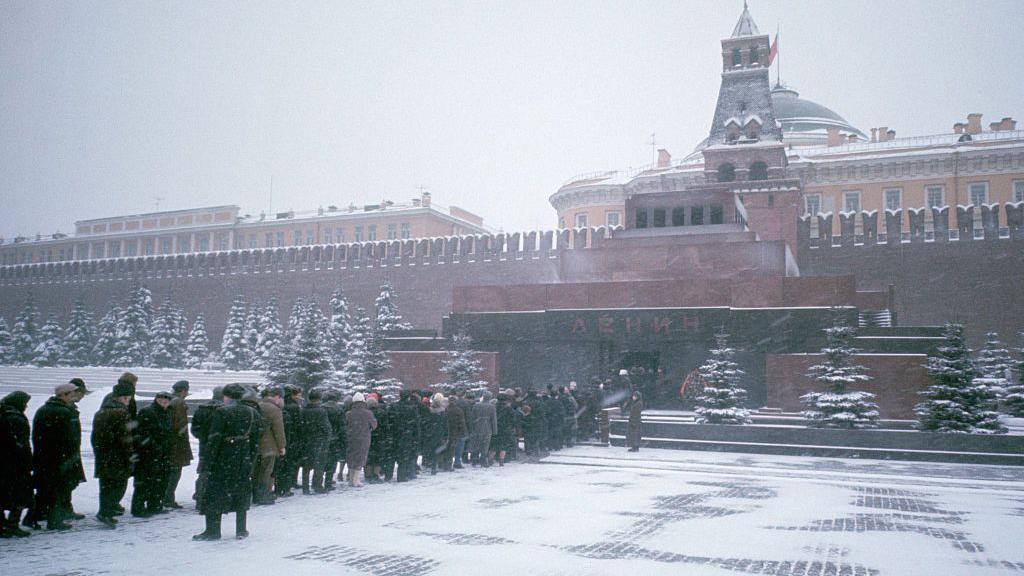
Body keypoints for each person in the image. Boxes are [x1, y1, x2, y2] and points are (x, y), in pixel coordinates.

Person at [194, 383, 262, 540]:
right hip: (242, 456)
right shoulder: (252, 412)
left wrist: (207, 461)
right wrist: (250, 457)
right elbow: (256, 438)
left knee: (215, 492)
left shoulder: (222, 412)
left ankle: (213, 530)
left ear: (227, 397)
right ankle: (241, 529)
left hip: (223, 457)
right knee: (241, 490)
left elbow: (214, 438)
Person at [31, 383, 81, 530]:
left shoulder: (44, 409)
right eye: (72, 394)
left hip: (45, 458)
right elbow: (69, 439)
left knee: (45, 490)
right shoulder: (63, 412)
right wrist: (70, 458)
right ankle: (54, 521)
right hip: (59, 459)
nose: (75, 396)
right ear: (63, 395)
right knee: (57, 490)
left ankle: (33, 517)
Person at [91, 382, 134, 527]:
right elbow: (126, 439)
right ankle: (107, 513)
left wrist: (101, 452)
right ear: (125, 398)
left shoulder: (101, 412)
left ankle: (104, 511)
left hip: (104, 456)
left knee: (105, 486)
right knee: (118, 486)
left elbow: (95, 437)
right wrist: (130, 456)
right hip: (118, 458)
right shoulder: (121, 413)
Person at [131, 391, 173, 517]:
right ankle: (138, 508)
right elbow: (141, 433)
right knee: (144, 482)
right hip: (148, 454)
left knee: (159, 481)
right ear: (156, 400)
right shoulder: (148, 412)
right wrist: (153, 446)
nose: (164, 403)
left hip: (162, 453)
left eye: (166, 401)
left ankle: (154, 505)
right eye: (161, 401)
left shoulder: (168, 412)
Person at [0, 391, 32, 538]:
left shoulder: (3, 413)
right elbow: (21, 445)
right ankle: (13, 524)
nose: (26, 406)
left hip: (4, 463)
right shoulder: (16, 418)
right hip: (15, 464)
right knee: (20, 494)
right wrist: (27, 462)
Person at [191, 386, 223, 510]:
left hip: (204, 446)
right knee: (217, 473)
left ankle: (200, 497)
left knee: (203, 472)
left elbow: (195, 430)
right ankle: (212, 499)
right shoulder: (224, 410)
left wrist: (204, 438)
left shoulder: (201, 410)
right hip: (219, 447)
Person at [254, 386, 286, 505]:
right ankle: (264, 495)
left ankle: (255, 494)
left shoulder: (258, 405)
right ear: (277, 396)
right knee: (267, 472)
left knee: (256, 472)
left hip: (256, 444)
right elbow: (279, 430)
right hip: (269, 446)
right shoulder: (274, 409)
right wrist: (282, 446)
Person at [164, 380, 192, 509]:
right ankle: (168, 498)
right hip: (177, 444)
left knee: (169, 472)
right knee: (175, 472)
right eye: (186, 390)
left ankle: (166, 497)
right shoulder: (179, 402)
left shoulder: (170, 400)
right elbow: (180, 425)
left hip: (170, 442)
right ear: (183, 391)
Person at [300, 388, 332, 494]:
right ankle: (317, 485)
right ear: (319, 399)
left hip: (306, 440)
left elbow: (301, 426)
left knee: (306, 465)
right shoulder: (321, 411)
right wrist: (328, 437)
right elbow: (326, 427)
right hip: (319, 440)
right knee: (319, 464)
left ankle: (305, 487)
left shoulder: (303, 410)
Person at [275, 385, 304, 497]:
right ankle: (286, 487)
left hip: (282, 437)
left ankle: (278, 488)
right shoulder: (294, 407)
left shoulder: (281, 406)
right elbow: (299, 425)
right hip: (292, 439)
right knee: (289, 464)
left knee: (280, 464)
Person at [344, 392, 377, 487]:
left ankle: (351, 480)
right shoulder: (368, 413)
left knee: (351, 457)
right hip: (364, 438)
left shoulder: (348, 413)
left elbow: (344, 425)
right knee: (361, 457)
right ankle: (356, 480)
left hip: (351, 438)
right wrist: (368, 429)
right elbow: (374, 425)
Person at [392, 391, 421, 482]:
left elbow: (391, 420)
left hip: (396, 433)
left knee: (400, 455)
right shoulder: (412, 408)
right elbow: (416, 424)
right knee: (407, 455)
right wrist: (416, 435)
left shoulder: (395, 406)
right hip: (408, 434)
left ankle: (401, 474)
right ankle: (405, 474)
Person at [322, 391, 346, 490]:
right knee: (332, 461)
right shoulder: (339, 409)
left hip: (323, 438)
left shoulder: (322, 408)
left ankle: (319, 480)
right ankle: (328, 481)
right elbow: (342, 426)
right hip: (335, 438)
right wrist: (343, 439)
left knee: (322, 460)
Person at [421, 393, 449, 475]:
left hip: (430, 433)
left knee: (431, 449)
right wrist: (446, 435)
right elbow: (445, 425)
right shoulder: (442, 412)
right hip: (439, 433)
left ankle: (430, 464)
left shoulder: (429, 412)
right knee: (438, 449)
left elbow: (425, 423)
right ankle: (435, 465)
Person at [468, 391, 497, 467]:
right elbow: (493, 420)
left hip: (477, 426)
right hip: (487, 427)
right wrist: (495, 431)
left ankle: (474, 459)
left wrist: (471, 428)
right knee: (485, 444)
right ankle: (483, 460)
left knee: (476, 443)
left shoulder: (476, 406)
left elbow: (472, 418)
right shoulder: (492, 407)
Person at [444, 391, 467, 470]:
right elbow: (462, 422)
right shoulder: (458, 410)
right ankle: (457, 462)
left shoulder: (445, 410)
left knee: (449, 448)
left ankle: (448, 463)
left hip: (448, 432)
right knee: (459, 448)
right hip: (457, 432)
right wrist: (464, 432)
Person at [494, 392, 519, 466]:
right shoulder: (509, 409)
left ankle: (491, 458)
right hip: (506, 429)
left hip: (495, 428)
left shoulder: (493, 407)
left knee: (494, 445)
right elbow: (513, 420)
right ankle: (502, 460)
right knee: (504, 445)